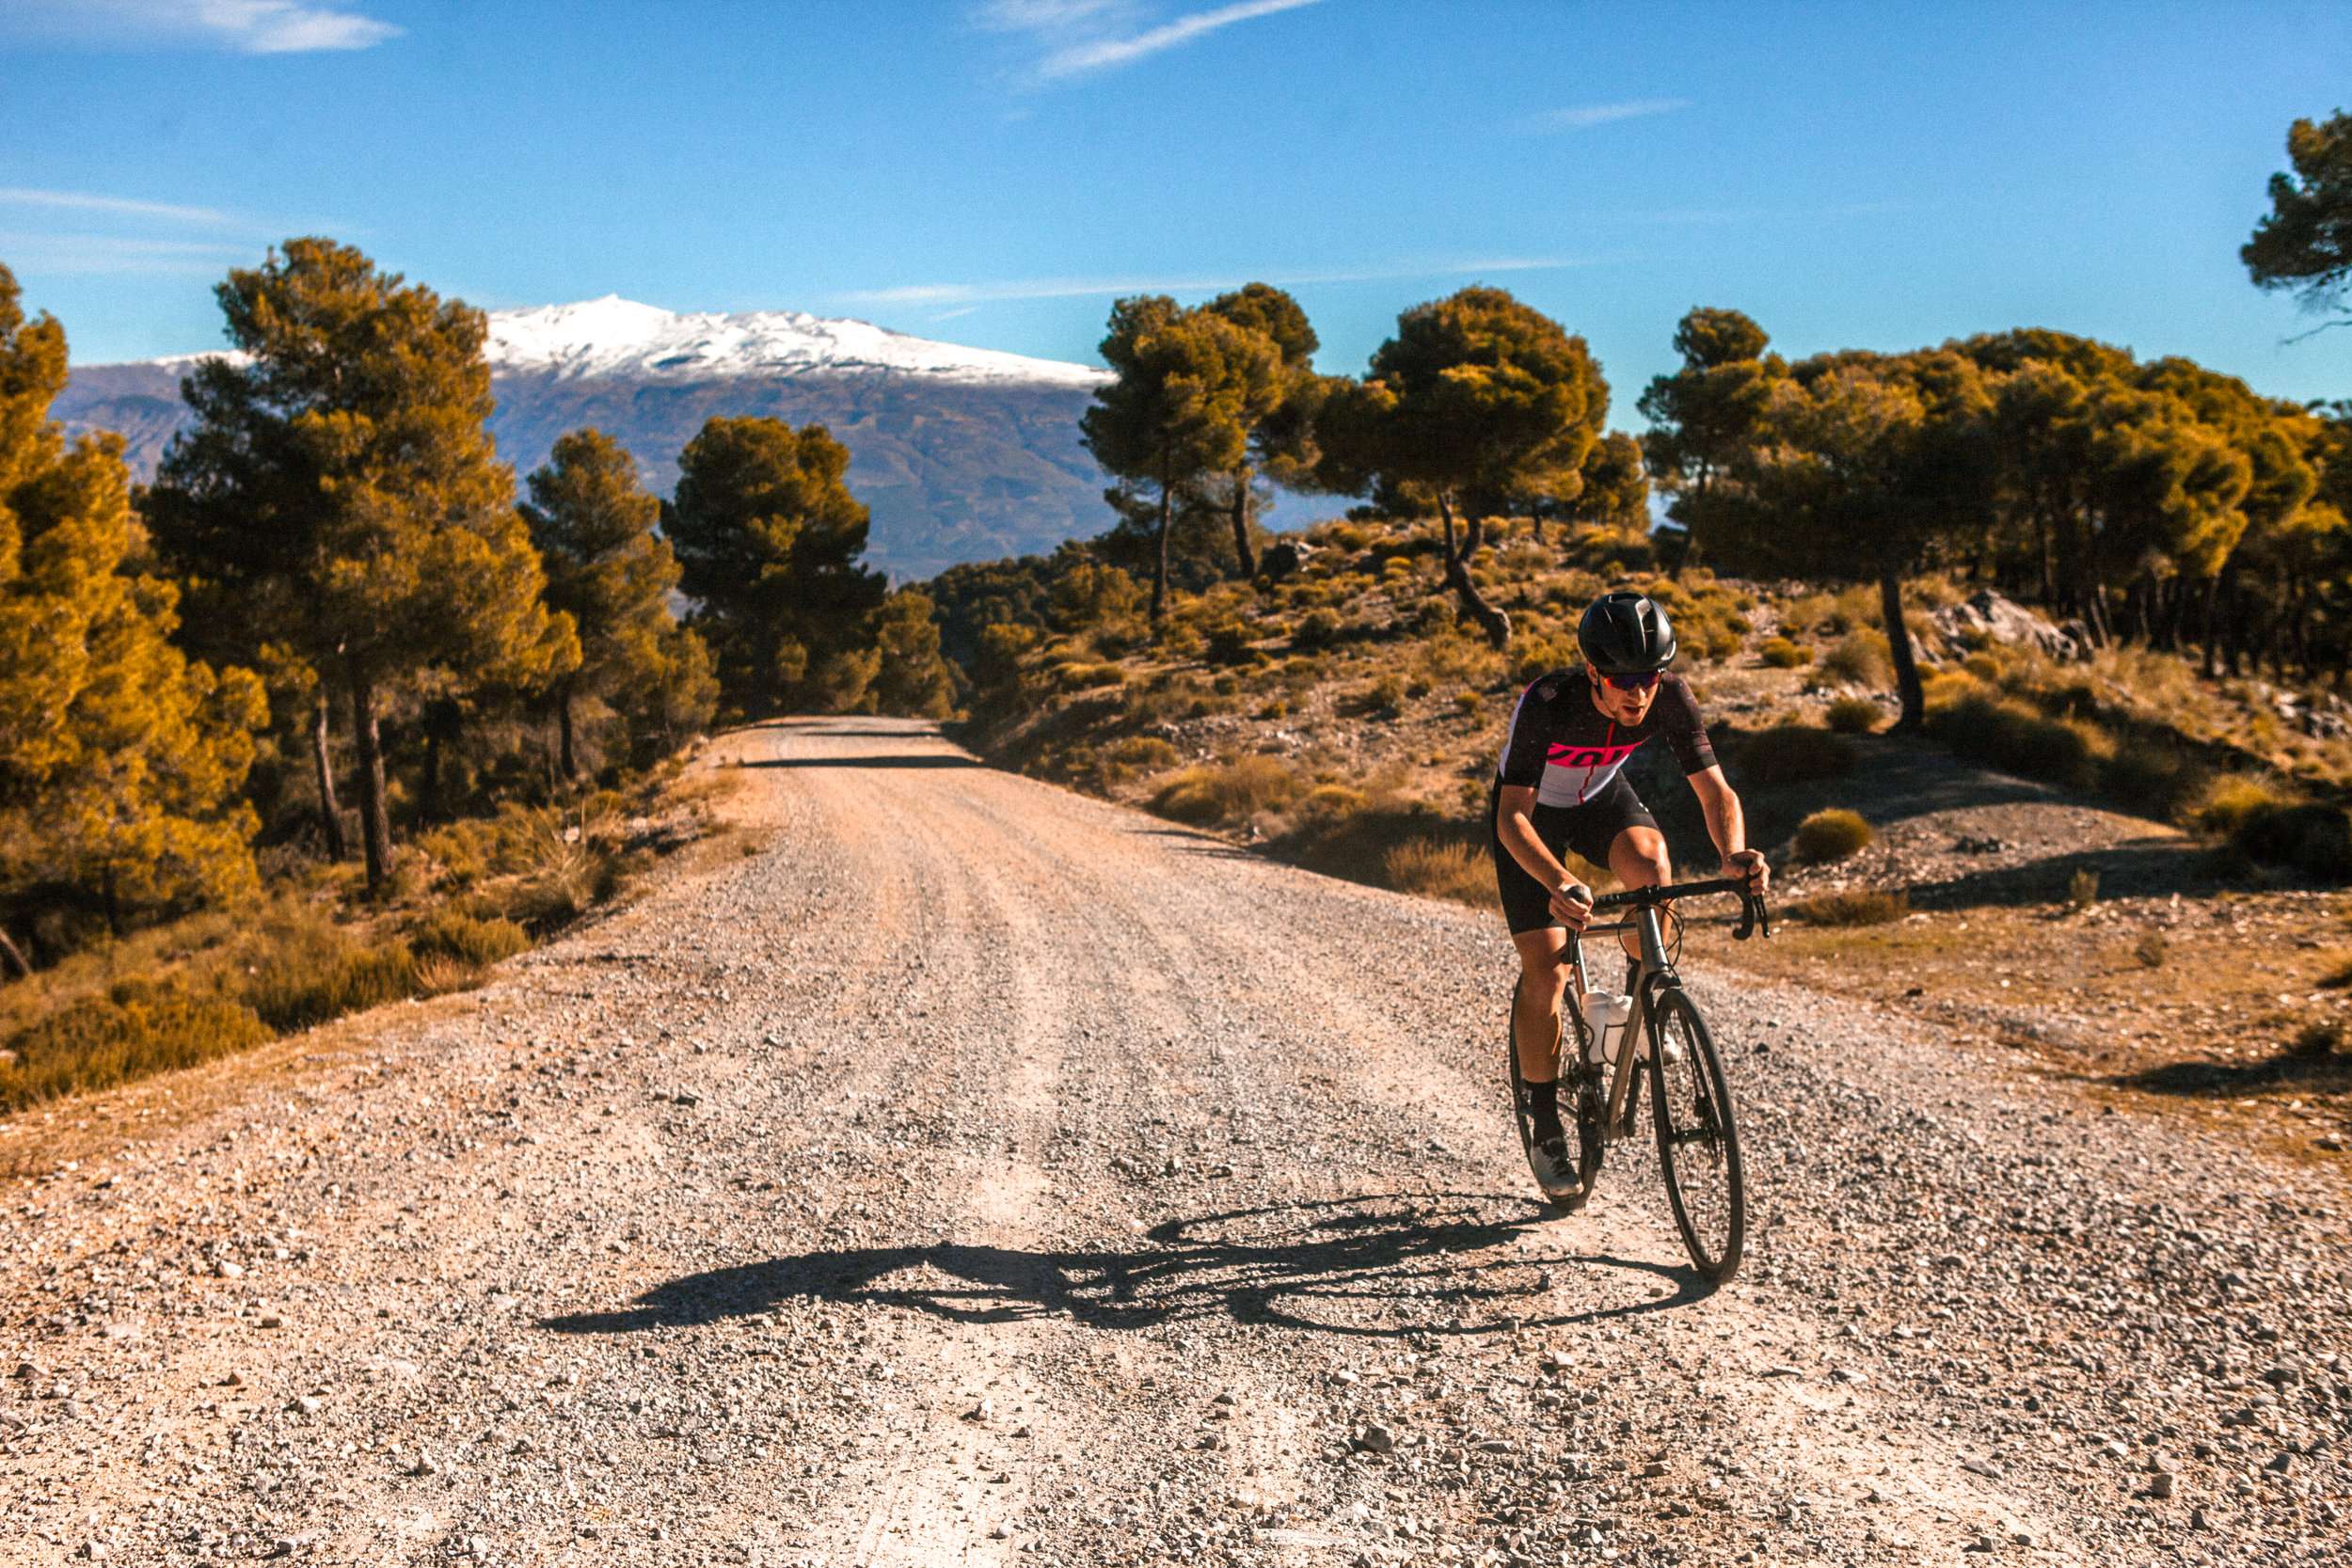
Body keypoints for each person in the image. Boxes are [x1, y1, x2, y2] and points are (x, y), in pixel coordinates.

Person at [1487, 589, 1769, 1201]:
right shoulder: (1548, 702)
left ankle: (1637, 1007)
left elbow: (1716, 792)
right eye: (1623, 680)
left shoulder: (1671, 698)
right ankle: (1544, 1124)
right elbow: (1511, 818)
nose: (1638, 693)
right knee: (1547, 968)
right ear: (1594, 672)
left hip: (1599, 799)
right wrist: (1557, 882)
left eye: (1649, 677)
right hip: (1532, 819)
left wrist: (1733, 855)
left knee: (1652, 867)